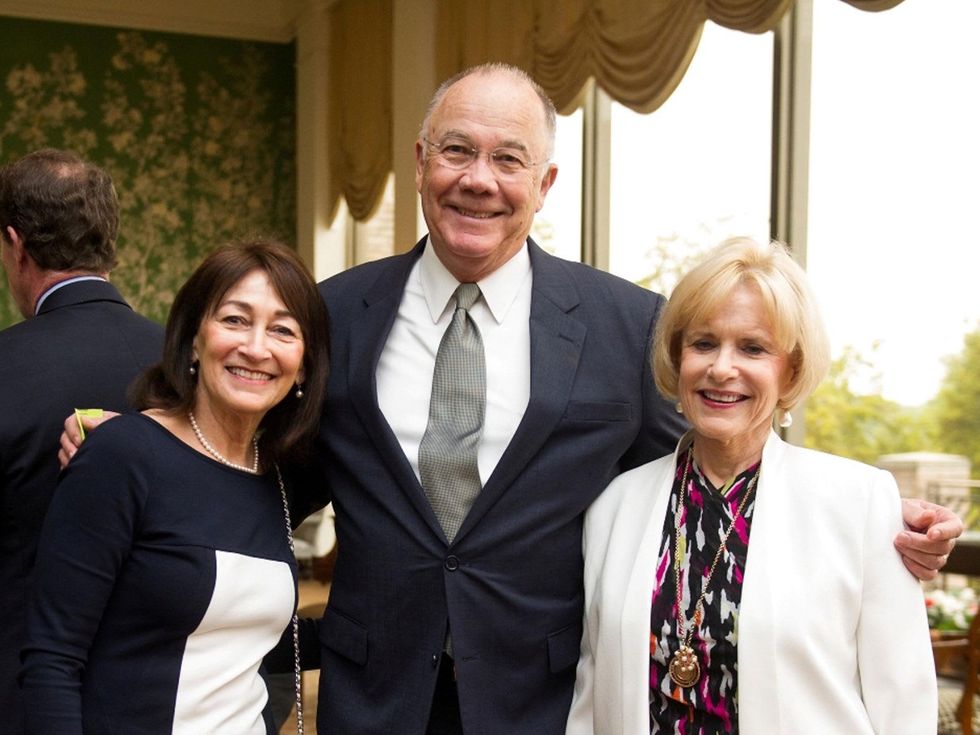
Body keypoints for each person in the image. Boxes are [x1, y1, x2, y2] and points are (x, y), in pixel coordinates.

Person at [63, 64, 959, 735]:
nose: (478, 179)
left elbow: (721, 450)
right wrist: (136, 447)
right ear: (421, 161)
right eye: (457, 150)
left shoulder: (627, 325)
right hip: (373, 696)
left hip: (539, 699)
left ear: (545, 184)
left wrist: (879, 525)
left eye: (508, 159)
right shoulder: (333, 314)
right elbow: (259, 461)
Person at [565, 237, 937, 734]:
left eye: (752, 348)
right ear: (677, 359)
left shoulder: (862, 505)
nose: (721, 368)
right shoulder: (614, 505)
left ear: (791, 371)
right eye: (703, 343)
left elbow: (904, 708)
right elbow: (592, 698)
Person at [20, 239, 330, 734]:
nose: (256, 347)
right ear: (193, 339)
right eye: (234, 320)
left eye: (282, 330)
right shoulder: (123, 455)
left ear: (304, 365)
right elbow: (51, 660)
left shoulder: (277, 479)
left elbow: (246, 634)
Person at [0, 149, 163, 735]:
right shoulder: (187, 365)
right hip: (163, 694)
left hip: (18, 695)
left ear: (16, 245)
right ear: (108, 238)